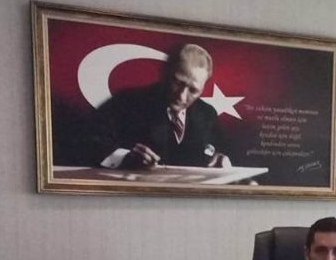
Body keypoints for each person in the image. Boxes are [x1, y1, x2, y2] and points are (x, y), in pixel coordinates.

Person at [91, 43, 235, 169]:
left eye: (193, 90)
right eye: (177, 82)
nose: (182, 96)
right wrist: (124, 158)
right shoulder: (126, 102)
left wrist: (222, 158)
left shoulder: (207, 114)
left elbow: (228, 150)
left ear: (202, 89)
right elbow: (91, 141)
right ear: (164, 73)